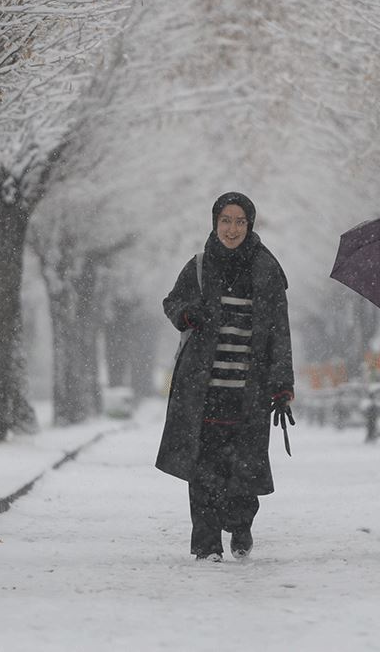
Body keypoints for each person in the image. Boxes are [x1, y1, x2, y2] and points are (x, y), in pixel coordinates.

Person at [159, 192, 295, 561]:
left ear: (249, 225)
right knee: (202, 471)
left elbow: (279, 331)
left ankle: (240, 524)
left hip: (248, 392)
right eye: (225, 221)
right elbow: (172, 302)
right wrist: (188, 314)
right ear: (215, 223)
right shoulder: (200, 266)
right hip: (202, 389)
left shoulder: (267, 269)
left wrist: (283, 386)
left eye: (239, 222)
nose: (232, 229)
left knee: (244, 470)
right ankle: (206, 544)